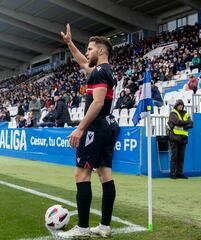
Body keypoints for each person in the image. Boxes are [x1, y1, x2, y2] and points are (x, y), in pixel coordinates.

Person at [58, 24, 119, 238]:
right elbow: (82, 62)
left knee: (81, 174)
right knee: (105, 174)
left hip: (96, 126)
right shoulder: (103, 70)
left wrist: (80, 128)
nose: (87, 53)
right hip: (109, 126)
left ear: (101, 51)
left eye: (90, 49)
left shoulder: (102, 72)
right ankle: (104, 227)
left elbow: (98, 102)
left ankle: (82, 228)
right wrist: (69, 44)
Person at [168, 99, 193, 179]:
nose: (181, 106)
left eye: (182, 105)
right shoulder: (173, 113)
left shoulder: (186, 113)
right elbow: (177, 121)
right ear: (176, 106)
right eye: (179, 105)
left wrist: (182, 125)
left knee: (181, 157)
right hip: (175, 138)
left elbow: (191, 124)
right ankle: (172, 174)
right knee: (174, 157)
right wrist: (186, 124)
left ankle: (179, 173)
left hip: (183, 139)